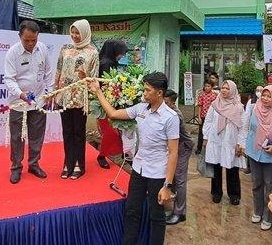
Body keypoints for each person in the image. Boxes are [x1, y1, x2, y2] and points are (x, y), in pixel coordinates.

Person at [88, 72, 179, 245]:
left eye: (147, 90)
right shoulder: (140, 108)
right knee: (131, 211)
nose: (143, 94)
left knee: (156, 215)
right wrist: (98, 91)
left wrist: (167, 185)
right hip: (138, 169)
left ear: (159, 93)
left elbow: (173, 152)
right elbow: (113, 114)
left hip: (158, 174)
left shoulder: (170, 118)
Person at [4, 20, 54, 184]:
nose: (31, 44)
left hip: (39, 101)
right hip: (19, 103)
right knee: (17, 137)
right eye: (27, 40)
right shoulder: (12, 53)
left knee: (37, 136)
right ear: (20, 37)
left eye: (34, 40)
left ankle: (34, 164)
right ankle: (16, 167)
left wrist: (49, 93)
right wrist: (20, 94)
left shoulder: (43, 49)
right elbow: (9, 79)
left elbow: (48, 73)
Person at [55, 19, 99, 180]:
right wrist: (55, 91)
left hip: (80, 97)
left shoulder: (93, 52)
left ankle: (80, 165)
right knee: (67, 132)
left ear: (85, 33)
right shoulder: (65, 48)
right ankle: (68, 163)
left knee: (78, 132)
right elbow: (59, 70)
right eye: (72, 32)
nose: (74, 36)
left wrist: (84, 77)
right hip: (64, 96)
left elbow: (94, 77)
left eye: (78, 33)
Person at [244, 85, 272, 231]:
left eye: (269, 96)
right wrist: (244, 145)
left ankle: (269, 217)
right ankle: (257, 211)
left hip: (271, 156)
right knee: (256, 184)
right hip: (254, 152)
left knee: (271, 187)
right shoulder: (254, 109)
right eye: (264, 95)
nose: (266, 98)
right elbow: (248, 128)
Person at [203, 80, 246, 205]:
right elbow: (209, 121)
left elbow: (242, 127)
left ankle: (234, 194)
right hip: (216, 139)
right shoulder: (215, 104)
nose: (224, 90)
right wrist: (205, 137)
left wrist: (240, 143)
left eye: (227, 88)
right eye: (223, 88)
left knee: (232, 168)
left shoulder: (238, 107)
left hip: (231, 140)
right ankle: (216, 193)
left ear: (232, 90)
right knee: (216, 167)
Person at [96, 39, 128, 169]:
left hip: (109, 102)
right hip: (105, 103)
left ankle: (117, 156)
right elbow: (106, 85)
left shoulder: (110, 62)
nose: (122, 56)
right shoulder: (106, 64)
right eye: (121, 53)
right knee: (111, 132)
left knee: (114, 132)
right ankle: (101, 156)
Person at [163, 89, 194, 225]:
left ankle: (180, 213)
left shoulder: (176, 115)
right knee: (172, 177)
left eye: (166, 102)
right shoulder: (166, 111)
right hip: (174, 148)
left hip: (183, 147)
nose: (163, 104)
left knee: (180, 179)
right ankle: (172, 203)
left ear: (172, 103)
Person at [195, 80, 218, 154]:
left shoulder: (215, 95)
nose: (207, 88)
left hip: (212, 118)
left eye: (208, 86)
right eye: (205, 86)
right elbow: (200, 106)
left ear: (212, 87)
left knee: (211, 132)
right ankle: (199, 148)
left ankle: (210, 148)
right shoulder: (201, 95)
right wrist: (198, 117)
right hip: (203, 116)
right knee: (201, 132)